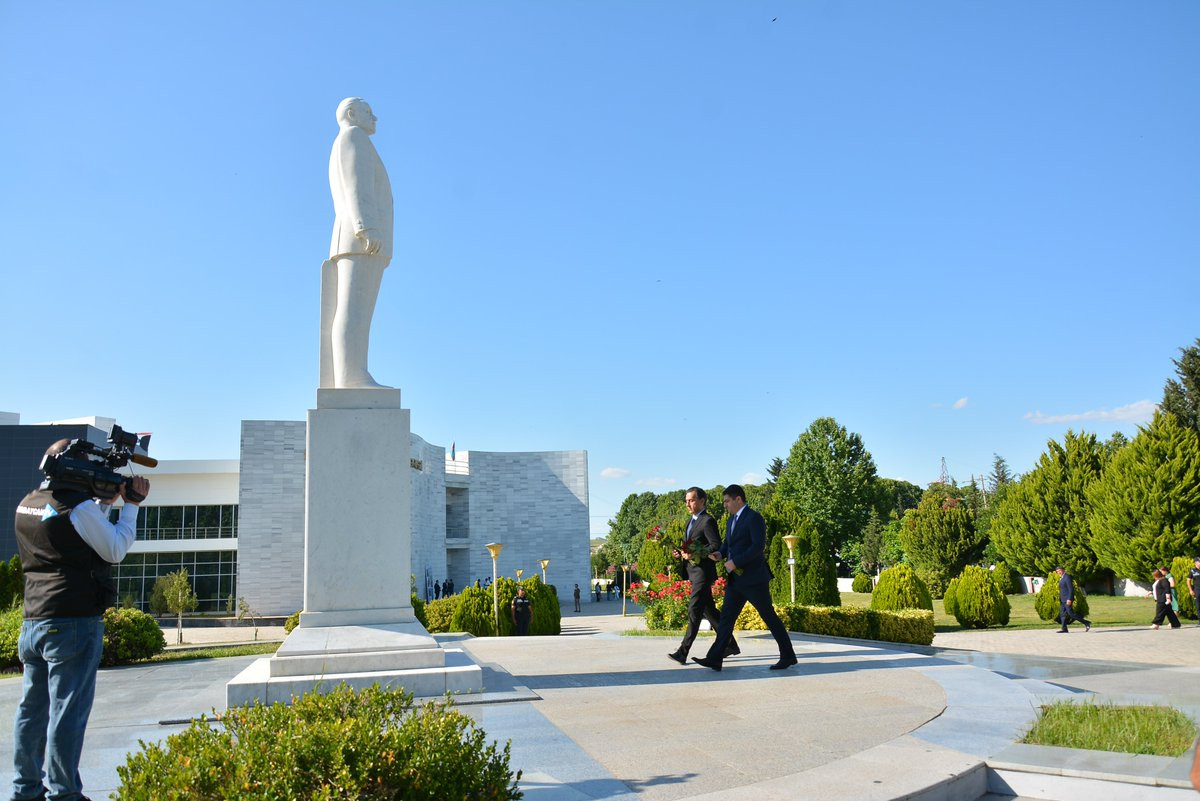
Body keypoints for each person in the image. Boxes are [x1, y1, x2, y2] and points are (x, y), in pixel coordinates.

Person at [11, 439, 150, 801]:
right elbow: (114, 549)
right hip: (72, 622)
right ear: (78, 469)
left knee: (32, 711)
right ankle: (65, 793)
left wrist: (104, 504)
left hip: (33, 620)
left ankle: (25, 790)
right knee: (67, 712)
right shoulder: (77, 506)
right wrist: (131, 507)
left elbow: (73, 536)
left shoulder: (28, 503)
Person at [323, 97, 394, 389]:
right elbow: (357, 185)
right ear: (351, 114)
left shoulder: (349, 140)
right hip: (359, 238)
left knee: (357, 312)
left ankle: (354, 373)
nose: (374, 118)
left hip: (357, 238)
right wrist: (367, 226)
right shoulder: (353, 137)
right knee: (354, 311)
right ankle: (351, 377)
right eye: (368, 112)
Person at [693, 485, 796, 672]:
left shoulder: (754, 518)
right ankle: (715, 658)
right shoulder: (731, 520)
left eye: (727, 501)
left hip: (754, 580)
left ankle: (788, 656)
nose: (725, 505)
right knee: (726, 619)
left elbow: (758, 547)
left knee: (769, 617)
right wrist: (719, 554)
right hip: (736, 581)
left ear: (738, 499)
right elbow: (727, 545)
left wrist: (736, 562)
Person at [668, 487, 738, 665]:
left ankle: (683, 651)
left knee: (694, 610)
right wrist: (680, 552)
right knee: (710, 612)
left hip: (703, 573)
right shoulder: (689, 522)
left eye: (691, 500)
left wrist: (695, 553)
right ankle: (730, 644)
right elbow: (689, 547)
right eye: (686, 501)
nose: (688, 504)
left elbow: (715, 545)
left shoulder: (707, 521)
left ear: (702, 501)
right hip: (693, 572)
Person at [1054, 566, 1091, 633]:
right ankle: (1064, 629)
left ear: (1063, 570)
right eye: (1057, 571)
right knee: (1062, 614)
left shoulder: (1067, 577)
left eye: (1060, 570)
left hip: (1067, 599)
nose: (1058, 572)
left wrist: (1069, 599)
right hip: (1062, 600)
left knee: (1071, 613)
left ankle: (1086, 622)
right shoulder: (1062, 578)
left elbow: (1071, 589)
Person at [1188, 557, 1200, 627]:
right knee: (1198, 606)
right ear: (1196, 563)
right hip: (1197, 590)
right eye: (1199, 561)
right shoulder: (1192, 571)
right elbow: (1188, 581)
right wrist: (1191, 590)